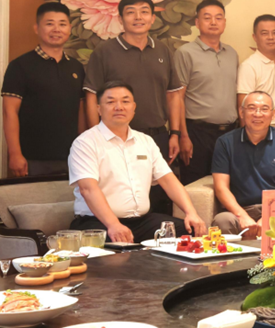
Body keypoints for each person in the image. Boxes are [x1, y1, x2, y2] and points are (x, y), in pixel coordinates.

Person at [68, 81, 206, 243]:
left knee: (190, 232)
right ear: (99, 109)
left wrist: (191, 213)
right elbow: (88, 189)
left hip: (142, 221)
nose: (119, 107)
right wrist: (114, 225)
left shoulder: (145, 141)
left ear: (134, 107)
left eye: (125, 101)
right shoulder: (85, 142)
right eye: (111, 102)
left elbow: (168, 180)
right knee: (116, 245)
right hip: (98, 223)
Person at [83, 0, 184, 213]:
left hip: (157, 136)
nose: (138, 17)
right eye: (130, 12)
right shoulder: (104, 51)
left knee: (159, 199)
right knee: (121, 197)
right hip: (116, 138)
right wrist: (95, 135)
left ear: (152, 18)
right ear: (120, 19)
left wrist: (175, 133)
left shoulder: (163, 50)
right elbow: (91, 96)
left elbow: (173, 95)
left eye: (144, 12)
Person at [2, 2, 86, 177]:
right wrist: (15, 154)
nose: (56, 29)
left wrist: (85, 149)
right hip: (32, 159)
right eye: (49, 23)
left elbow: (80, 110)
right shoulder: (20, 66)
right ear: (37, 28)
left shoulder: (76, 67)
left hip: (73, 157)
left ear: (69, 29)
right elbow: (9, 112)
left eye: (62, 24)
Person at [211, 91, 275, 235]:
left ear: (273, 114)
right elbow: (221, 187)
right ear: (241, 112)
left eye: (264, 109)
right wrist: (242, 215)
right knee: (222, 220)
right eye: (252, 108)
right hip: (240, 209)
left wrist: (270, 215)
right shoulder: (225, 142)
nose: (258, 114)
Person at [174, 0, 239, 186]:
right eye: (207, 17)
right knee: (196, 187)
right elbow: (178, 97)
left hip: (229, 133)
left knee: (228, 185)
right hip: (197, 133)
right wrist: (182, 136)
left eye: (218, 18)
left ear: (224, 22)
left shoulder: (232, 53)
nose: (213, 22)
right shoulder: (185, 53)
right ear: (197, 22)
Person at [237, 14, 275, 128]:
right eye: (264, 33)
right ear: (255, 37)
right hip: (259, 129)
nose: (270, 37)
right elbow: (243, 107)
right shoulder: (249, 66)